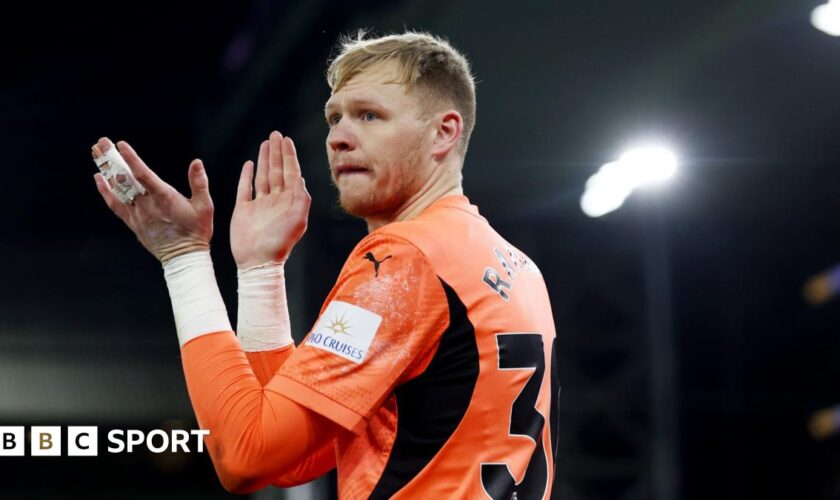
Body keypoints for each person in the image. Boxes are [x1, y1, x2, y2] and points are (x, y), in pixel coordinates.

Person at [93, 31, 559, 499]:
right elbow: (293, 455)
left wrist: (183, 257)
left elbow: (244, 457)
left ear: (444, 131)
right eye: (334, 118)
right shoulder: (516, 267)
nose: (338, 137)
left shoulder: (406, 261)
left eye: (369, 115)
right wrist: (260, 272)